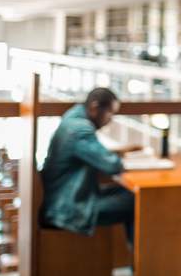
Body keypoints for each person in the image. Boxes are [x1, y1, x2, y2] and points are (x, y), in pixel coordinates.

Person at [39, 88, 140, 244]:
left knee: (128, 192)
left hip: (63, 198)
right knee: (137, 201)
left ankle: (137, 260)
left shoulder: (72, 117)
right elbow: (112, 165)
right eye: (110, 113)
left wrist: (118, 152)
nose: (110, 120)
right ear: (94, 107)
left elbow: (91, 153)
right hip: (68, 207)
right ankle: (138, 264)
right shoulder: (80, 130)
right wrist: (118, 158)